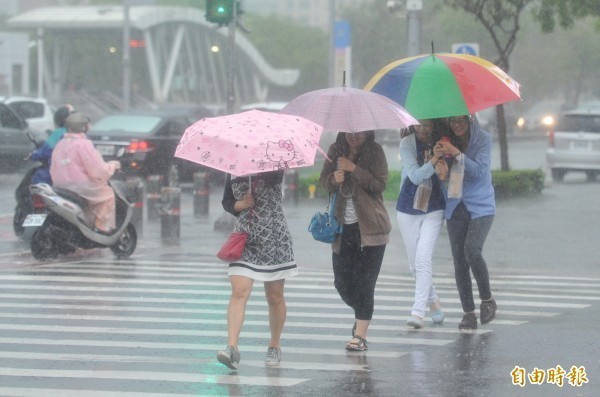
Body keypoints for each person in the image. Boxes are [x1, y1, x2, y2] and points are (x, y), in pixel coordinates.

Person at [217, 170, 298, 369]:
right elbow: (227, 202)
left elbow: (275, 186)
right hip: (244, 236)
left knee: (275, 297)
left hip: (274, 235)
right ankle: (232, 347)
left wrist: (257, 170)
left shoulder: (275, 163)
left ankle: (274, 345)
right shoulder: (233, 167)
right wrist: (241, 204)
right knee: (238, 291)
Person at [319, 131, 391, 351]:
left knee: (365, 283)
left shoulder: (375, 151)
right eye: (350, 132)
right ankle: (362, 311)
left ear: (367, 131)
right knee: (342, 283)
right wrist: (334, 178)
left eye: (358, 132)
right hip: (343, 230)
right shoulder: (334, 149)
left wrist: (354, 170)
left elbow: (379, 185)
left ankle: (360, 336)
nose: (354, 136)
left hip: (371, 228)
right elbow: (324, 181)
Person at [435, 114, 497, 330]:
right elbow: (442, 176)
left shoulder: (483, 139)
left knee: (472, 251)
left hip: (481, 206)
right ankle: (468, 313)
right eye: (452, 121)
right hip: (455, 205)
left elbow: (479, 171)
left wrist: (457, 153)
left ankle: (487, 299)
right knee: (460, 261)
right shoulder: (442, 140)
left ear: (471, 120)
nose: (457, 125)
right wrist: (439, 165)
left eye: (462, 120)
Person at [396, 119, 446, 329]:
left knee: (423, 258)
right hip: (408, 205)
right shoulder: (407, 143)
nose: (423, 129)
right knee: (414, 264)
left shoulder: (443, 141)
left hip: (434, 207)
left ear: (435, 124)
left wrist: (442, 162)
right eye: (418, 124)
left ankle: (417, 313)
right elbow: (415, 177)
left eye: (427, 124)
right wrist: (434, 160)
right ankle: (433, 303)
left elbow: (449, 173)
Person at [50, 112, 121, 233]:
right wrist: (113, 166)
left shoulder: (60, 144)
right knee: (107, 195)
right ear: (84, 127)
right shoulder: (84, 144)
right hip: (80, 186)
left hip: (59, 186)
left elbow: (53, 167)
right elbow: (98, 169)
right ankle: (101, 227)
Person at [29, 105, 74, 184]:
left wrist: (34, 154)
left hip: (58, 171)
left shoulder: (58, 133)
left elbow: (46, 152)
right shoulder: (79, 134)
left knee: (38, 179)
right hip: (74, 173)